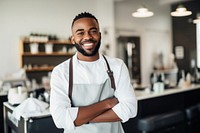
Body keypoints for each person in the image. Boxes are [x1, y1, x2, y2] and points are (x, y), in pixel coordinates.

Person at [50, 12, 137, 133]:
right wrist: (106, 104)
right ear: (73, 39)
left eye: (93, 31)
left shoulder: (117, 66)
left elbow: (130, 109)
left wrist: (79, 118)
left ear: (100, 35)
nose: (87, 37)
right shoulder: (61, 72)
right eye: (80, 33)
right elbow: (60, 119)